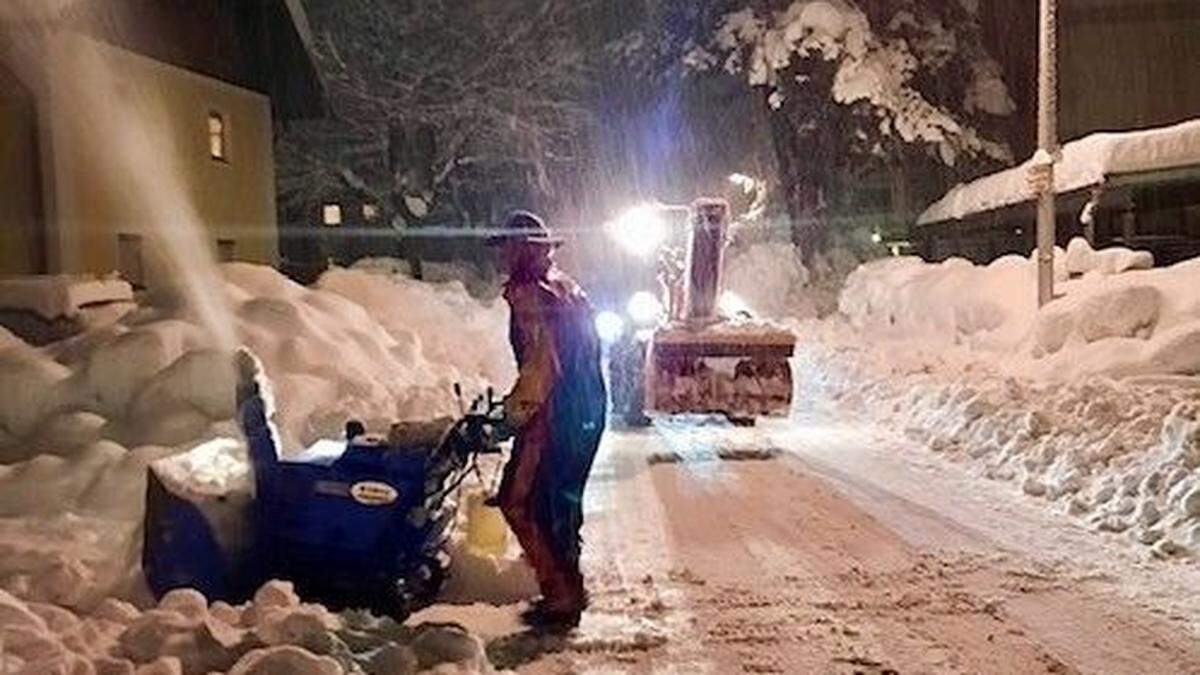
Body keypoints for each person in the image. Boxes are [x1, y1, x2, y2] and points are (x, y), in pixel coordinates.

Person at [487, 210, 607, 629]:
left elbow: (542, 366)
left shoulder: (531, 294)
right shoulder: (566, 287)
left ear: (525, 249)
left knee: (519, 501)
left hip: (555, 413)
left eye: (508, 247)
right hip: (587, 408)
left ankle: (560, 596)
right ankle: (570, 588)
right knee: (562, 500)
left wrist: (510, 417)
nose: (504, 256)